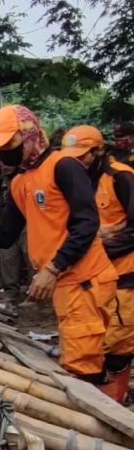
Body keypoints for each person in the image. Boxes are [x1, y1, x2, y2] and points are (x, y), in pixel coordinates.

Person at [0, 106, 117, 382]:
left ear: (30, 134)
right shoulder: (21, 181)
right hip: (65, 283)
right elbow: (4, 235)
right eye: (2, 146)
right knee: (86, 356)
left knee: (83, 367)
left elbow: (86, 224)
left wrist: (53, 268)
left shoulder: (63, 167)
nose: (6, 151)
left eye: (11, 143)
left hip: (84, 279)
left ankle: (103, 418)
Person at [61, 125, 134, 401]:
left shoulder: (122, 178)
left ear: (99, 150)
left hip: (125, 274)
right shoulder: (82, 181)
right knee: (97, 340)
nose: (78, 162)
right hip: (96, 276)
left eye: (83, 156)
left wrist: (102, 246)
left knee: (118, 344)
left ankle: (114, 406)